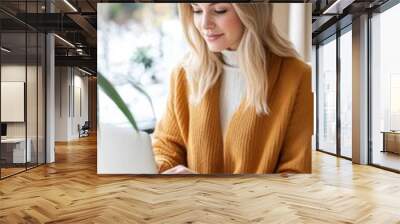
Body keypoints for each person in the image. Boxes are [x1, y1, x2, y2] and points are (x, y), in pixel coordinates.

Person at [152, 2, 312, 174]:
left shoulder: (297, 76)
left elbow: (296, 173)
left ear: (252, 11)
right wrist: (163, 170)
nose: (204, 24)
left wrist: (213, 193)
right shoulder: (185, 73)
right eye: (197, 10)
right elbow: (166, 148)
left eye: (219, 10)